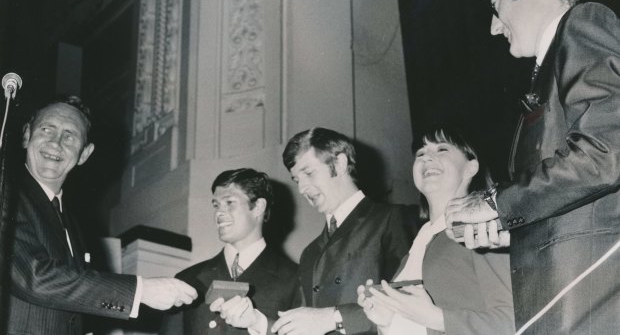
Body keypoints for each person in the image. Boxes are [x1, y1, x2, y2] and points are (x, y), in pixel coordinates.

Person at [444, 0, 620, 334]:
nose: (495, 28)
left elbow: (606, 150)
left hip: (591, 293)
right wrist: (513, 229)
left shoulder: (583, 22)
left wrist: (496, 202)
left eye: (496, 6)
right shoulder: (550, 67)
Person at [7, 96, 198, 334]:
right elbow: (33, 277)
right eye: (47, 129)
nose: (56, 143)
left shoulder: (71, 221)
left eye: (70, 136)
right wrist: (142, 291)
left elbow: (69, 298)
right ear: (27, 136)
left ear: (84, 154)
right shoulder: (7, 195)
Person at [211, 127, 412, 335]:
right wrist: (255, 321)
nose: (302, 188)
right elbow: (302, 326)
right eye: (297, 180)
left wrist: (334, 318)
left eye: (308, 173)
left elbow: (412, 304)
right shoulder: (310, 252)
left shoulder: (393, 219)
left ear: (340, 164)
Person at [357, 126, 514, 335]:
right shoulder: (419, 243)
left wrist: (436, 318)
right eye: (420, 153)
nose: (426, 158)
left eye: (441, 149)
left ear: (471, 167)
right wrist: (386, 320)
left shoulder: (481, 227)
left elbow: (511, 322)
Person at [160, 168, 299, 334]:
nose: (218, 213)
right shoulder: (187, 280)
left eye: (229, 203)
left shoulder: (296, 279)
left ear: (258, 207)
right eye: (216, 205)